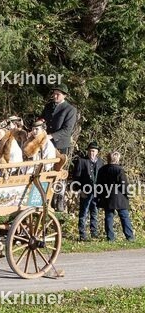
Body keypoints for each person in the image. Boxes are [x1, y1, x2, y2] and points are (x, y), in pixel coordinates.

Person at [43, 82, 78, 211]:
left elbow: (67, 131)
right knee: (44, 171)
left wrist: (50, 136)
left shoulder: (70, 110)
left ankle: (59, 202)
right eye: (54, 94)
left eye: (58, 94)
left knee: (58, 174)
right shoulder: (49, 106)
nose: (55, 96)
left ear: (64, 96)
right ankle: (44, 199)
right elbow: (43, 119)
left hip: (60, 146)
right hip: (46, 144)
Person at [99, 151, 134, 242]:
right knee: (124, 216)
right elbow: (124, 184)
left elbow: (98, 184)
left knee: (109, 217)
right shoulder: (119, 170)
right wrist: (128, 194)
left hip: (107, 196)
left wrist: (99, 195)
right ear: (117, 158)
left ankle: (110, 237)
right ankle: (129, 236)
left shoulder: (102, 169)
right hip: (119, 197)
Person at [72, 141, 103, 241]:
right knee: (83, 212)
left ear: (97, 152)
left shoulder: (100, 162)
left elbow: (102, 178)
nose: (91, 153)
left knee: (94, 212)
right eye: (90, 151)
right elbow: (76, 177)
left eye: (93, 151)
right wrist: (80, 190)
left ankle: (94, 233)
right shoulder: (82, 161)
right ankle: (82, 234)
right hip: (85, 191)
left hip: (96, 192)